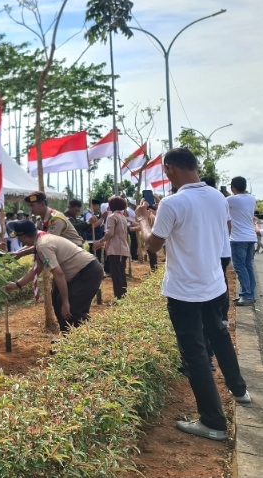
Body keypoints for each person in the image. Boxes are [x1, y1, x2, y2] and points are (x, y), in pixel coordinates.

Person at [136, 148, 250, 441]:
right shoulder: (217, 197)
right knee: (219, 335)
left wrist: (143, 221)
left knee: (194, 353)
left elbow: (152, 245)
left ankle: (213, 421)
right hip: (213, 283)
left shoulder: (173, 203)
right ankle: (239, 390)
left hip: (185, 289)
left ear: (169, 168)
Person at [4, 219, 103, 331]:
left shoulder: (43, 245)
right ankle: (67, 338)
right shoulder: (41, 238)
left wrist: (66, 303)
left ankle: (81, 340)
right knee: (58, 301)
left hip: (88, 273)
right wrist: (17, 285)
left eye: (19, 238)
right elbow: (35, 269)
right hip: (81, 272)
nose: (21, 241)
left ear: (24, 238)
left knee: (73, 309)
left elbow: (59, 274)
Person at [227, 176, 257, 306]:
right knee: (248, 266)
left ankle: (246, 295)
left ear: (233, 187)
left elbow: (223, 204)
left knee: (239, 267)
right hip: (251, 237)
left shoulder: (230, 199)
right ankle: (250, 294)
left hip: (238, 238)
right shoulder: (252, 199)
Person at [96, 196, 131, 300]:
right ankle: (123, 296)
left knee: (116, 276)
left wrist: (100, 241)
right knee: (121, 274)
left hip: (115, 250)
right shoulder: (123, 217)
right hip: (123, 249)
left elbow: (109, 233)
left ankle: (119, 298)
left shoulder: (112, 217)